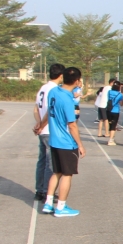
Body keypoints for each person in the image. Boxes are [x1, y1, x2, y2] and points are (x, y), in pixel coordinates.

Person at [42, 67, 86, 217]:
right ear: (77, 81)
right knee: (67, 174)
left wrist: (40, 125)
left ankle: (48, 203)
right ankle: (61, 207)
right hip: (66, 142)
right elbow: (72, 125)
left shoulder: (54, 92)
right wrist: (80, 144)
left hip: (54, 140)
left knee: (57, 172)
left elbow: (49, 112)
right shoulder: (67, 100)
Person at [33, 64, 65, 200]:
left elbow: (36, 108)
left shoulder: (43, 88)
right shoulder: (55, 90)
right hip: (49, 130)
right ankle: (47, 192)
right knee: (50, 163)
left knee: (42, 161)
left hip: (42, 130)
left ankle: (40, 189)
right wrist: (42, 125)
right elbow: (50, 110)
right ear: (61, 75)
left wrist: (38, 123)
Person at [106, 80, 123, 145]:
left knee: (110, 124)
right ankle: (110, 140)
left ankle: (111, 138)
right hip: (115, 111)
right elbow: (121, 103)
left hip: (108, 110)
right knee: (114, 125)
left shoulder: (109, 92)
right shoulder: (119, 94)